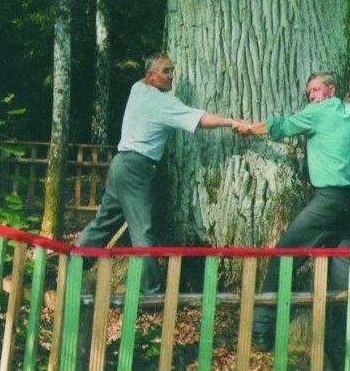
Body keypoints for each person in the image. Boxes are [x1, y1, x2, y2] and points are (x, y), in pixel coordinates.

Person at [76, 52, 241, 294]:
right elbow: (201, 119)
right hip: (136, 169)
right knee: (143, 230)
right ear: (151, 77)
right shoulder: (162, 102)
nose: (172, 76)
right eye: (166, 71)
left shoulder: (137, 89)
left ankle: (74, 263)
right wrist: (231, 122)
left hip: (120, 164)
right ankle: (149, 293)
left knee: (106, 221)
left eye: (172, 70)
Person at [232, 71, 350, 363]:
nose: (311, 97)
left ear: (330, 90)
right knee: (343, 279)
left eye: (316, 90)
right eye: (309, 93)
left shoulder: (317, 113)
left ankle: (262, 331)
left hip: (329, 201)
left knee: (285, 255)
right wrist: (344, 98)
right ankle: (343, 350)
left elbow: (283, 125)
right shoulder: (349, 112)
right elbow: (348, 101)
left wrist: (248, 128)